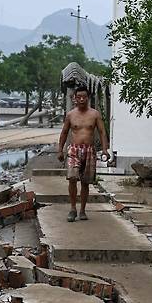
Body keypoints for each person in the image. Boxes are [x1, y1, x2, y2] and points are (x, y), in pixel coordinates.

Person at [57, 86, 109, 222]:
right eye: (78, 97)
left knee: (85, 182)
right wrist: (60, 150)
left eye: (84, 97)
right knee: (72, 178)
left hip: (89, 150)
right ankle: (73, 208)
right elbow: (64, 132)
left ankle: (82, 210)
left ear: (88, 98)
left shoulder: (95, 114)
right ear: (74, 98)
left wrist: (105, 149)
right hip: (74, 149)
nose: (81, 99)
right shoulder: (71, 115)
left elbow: (103, 132)